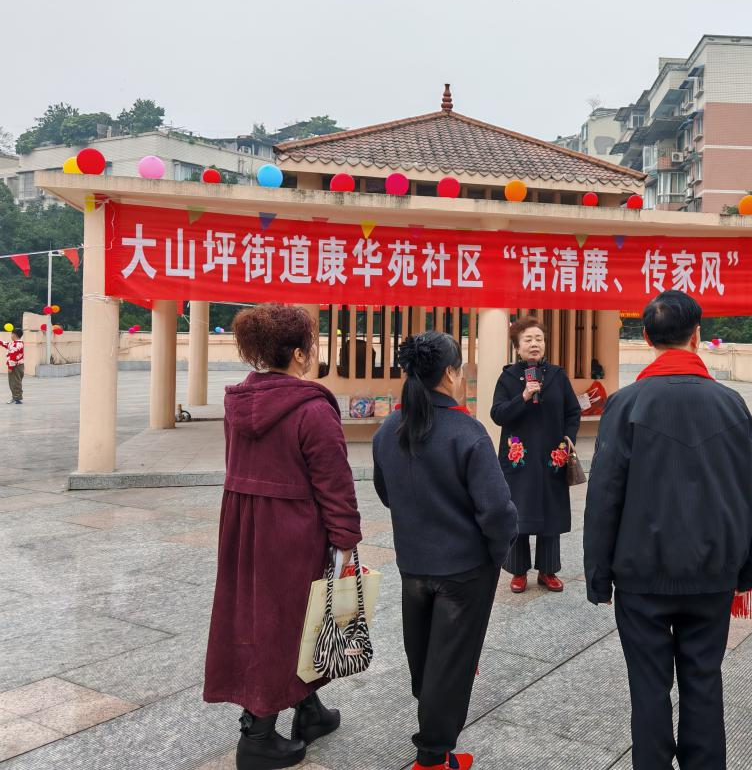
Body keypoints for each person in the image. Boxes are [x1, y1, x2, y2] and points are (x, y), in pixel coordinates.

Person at [584, 290, 752, 769]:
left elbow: (604, 495)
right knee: (703, 681)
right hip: (712, 572)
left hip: (641, 574)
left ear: (645, 338)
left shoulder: (625, 405)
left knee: (648, 688)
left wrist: (598, 574)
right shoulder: (731, 404)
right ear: (697, 335)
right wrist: (750, 565)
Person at [204, 305, 362, 770]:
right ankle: (257, 735)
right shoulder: (312, 408)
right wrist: (347, 538)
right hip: (293, 531)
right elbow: (335, 482)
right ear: (298, 353)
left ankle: (307, 710)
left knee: (263, 617)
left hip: (243, 528)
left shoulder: (238, 403)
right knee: (284, 624)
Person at [374, 331, 518, 770]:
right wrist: (497, 552)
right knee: (450, 662)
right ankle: (433, 757)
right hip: (464, 568)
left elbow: (386, 492)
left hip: (414, 563)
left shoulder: (388, 429)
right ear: (451, 373)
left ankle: (433, 735)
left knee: (424, 654)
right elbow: (497, 511)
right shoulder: (467, 431)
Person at [490, 317, 581, 593]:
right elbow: (498, 414)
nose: (534, 344)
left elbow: (572, 411)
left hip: (553, 456)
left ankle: (548, 570)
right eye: (528, 340)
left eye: (538, 339)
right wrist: (524, 397)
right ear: (517, 347)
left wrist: (569, 438)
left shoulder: (557, 375)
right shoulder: (508, 378)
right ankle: (518, 572)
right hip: (520, 457)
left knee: (550, 512)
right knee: (518, 512)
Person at [3, 327, 24, 404]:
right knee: (14, 382)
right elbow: (6, 344)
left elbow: (13, 357)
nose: (11, 335)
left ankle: (17, 399)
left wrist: (10, 367)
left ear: (14, 335)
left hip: (15, 366)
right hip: (18, 366)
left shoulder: (16, 345)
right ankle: (15, 397)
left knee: (15, 382)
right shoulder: (17, 343)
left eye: (11, 334)